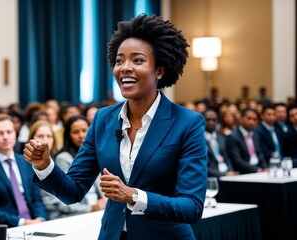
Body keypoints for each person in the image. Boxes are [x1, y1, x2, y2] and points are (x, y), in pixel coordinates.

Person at [24, 14, 207, 240]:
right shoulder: (103, 119)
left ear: (159, 70)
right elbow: (73, 191)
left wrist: (133, 196)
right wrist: (44, 165)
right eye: (119, 61)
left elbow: (192, 207)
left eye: (137, 60)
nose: (125, 68)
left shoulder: (187, 123)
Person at [0, 114, 47, 228]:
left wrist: (40, 219)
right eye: (0, 133)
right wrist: (22, 222)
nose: (6, 137)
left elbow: (36, 199)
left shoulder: (26, 161)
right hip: (7, 227)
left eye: (9, 132)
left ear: (15, 133)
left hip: (35, 224)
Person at [43, 115, 107, 219]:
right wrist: (92, 207)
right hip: (77, 213)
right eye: (76, 132)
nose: (81, 135)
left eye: (84, 130)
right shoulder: (63, 158)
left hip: (98, 209)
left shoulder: (95, 153)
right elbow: (66, 197)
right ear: (68, 135)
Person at [226, 108, 268, 174]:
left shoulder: (255, 135)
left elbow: (260, 154)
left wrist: (265, 168)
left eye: (254, 119)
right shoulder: (233, 136)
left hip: (257, 170)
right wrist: (258, 170)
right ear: (241, 119)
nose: (251, 122)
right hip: (243, 172)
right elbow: (237, 161)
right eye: (249, 118)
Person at [203, 109, 237, 178]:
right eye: (208, 120)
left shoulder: (221, 137)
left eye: (214, 120)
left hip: (227, 174)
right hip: (212, 177)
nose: (211, 122)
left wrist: (230, 171)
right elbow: (203, 167)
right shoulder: (199, 140)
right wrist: (224, 175)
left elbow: (227, 158)